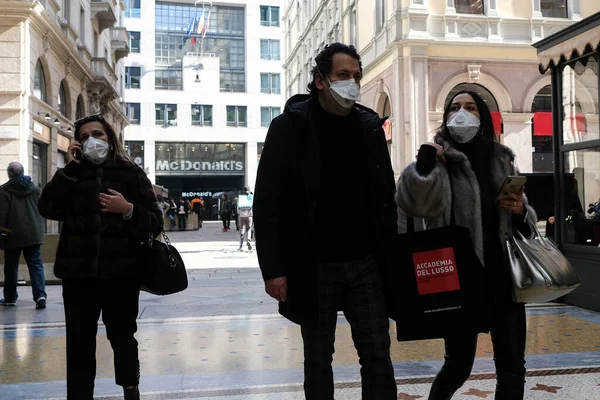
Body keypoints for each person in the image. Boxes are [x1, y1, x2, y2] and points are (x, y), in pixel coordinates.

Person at [253, 43, 398, 399]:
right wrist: (273, 269)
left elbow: (385, 197)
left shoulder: (369, 127)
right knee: (318, 358)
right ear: (320, 80)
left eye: (356, 76)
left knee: (377, 354)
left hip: (365, 262)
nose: (352, 82)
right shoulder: (289, 127)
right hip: (312, 264)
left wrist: (389, 259)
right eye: (342, 75)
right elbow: (267, 202)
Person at [396, 90, 537, 400]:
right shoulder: (437, 158)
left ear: (482, 116)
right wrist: (426, 162)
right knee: (459, 365)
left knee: (513, 367)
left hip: (503, 277)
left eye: (470, 107)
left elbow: (525, 219)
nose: (462, 113)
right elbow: (414, 203)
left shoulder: (502, 158)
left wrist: (519, 211)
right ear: (446, 117)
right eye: (455, 107)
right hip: (458, 279)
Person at [37, 113, 163, 400]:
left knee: (122, 337)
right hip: (78, 274)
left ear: (110, 138)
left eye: (98, 134)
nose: (91, 140)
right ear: (76, 144)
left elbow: (156, 221)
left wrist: (128, 208)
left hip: (122, 274)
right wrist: (68, 170)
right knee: (79, 342)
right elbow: (47, 208)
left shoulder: (130, 172)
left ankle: (130, 387)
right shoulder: (73, 173)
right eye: (83, 136)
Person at [0, 162, 47, 309]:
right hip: (33, 233)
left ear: (9, 174)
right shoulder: (36, 190)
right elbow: (43, 209)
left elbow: (2, 216)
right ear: (22, 172)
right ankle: (40, 295)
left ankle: (10, 297)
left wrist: (3, 235)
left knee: (11, 266)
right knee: (36, 264)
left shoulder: (4, 192)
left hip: (13, 235)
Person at [237, 186, 253, 251]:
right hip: (249, 215)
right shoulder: (250, 197)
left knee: (241, 229)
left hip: (241, 215)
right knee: (249, 229)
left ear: (243, 191)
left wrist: (239, 213)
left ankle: (241, 246)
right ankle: (248, 241)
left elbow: (237, 207)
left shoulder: (240, 198)